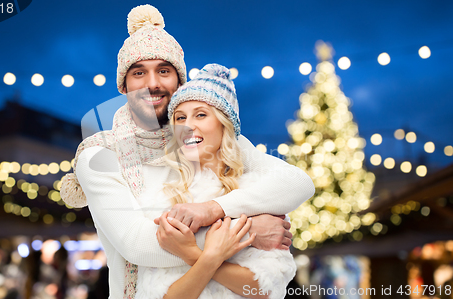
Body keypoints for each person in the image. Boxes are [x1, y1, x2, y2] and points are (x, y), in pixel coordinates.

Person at [60, 4, 315, 298]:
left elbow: (297, 182)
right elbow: (139, 244)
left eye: (164, 71)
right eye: (139, 72)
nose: (152, 83)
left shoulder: (202, 138)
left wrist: (213, 210)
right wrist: (250, 231)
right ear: (124, 85)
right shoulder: (100, 155)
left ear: (179, 81)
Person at [134, 64, 297, 299]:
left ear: (224, 124)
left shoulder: (259, 193)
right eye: (180, 118)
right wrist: (214, 253)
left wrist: (191, 253)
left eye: (201, 114)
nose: (188, 125)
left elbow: (265, 289)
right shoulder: (162, 195)